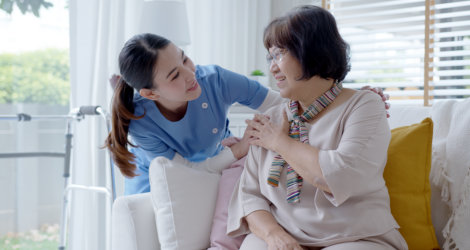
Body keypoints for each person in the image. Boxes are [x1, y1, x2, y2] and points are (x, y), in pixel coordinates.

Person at [227, 5, 408, 250]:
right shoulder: (270, 119)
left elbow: (340, 175)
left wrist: (279, 142)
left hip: (355, 237)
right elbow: (248, 196)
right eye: (270, 57)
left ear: (312, 52)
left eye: (280, 54)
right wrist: (274, 237)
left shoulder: (364, 105)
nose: (272, 67)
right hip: (284, 234)